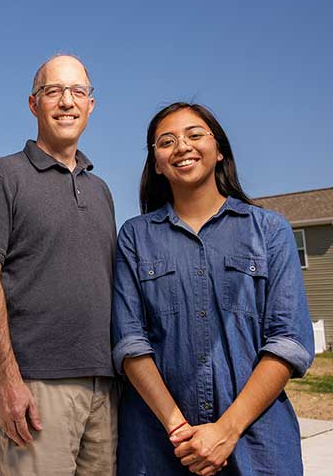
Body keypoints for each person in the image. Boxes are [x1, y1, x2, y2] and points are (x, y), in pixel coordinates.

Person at [112, 102, 314, 476]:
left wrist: (225, 431)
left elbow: (288, 342)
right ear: (156, 162)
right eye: (166, 141)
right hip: (159, 447)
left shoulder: (269, 231)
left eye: (194, 135)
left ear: (219, 150)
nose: (182, 147)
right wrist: (180, 431)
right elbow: (130, 343)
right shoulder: (134, 237)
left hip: (258, 446)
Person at [0, 55, 117, 475]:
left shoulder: (101, 190)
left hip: (104, 386)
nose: (67, 101)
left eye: (77, 92)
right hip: (35, 386)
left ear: (91, 105)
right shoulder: (2, 176)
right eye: (54, 91)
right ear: (34, 104)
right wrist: (8, 379)